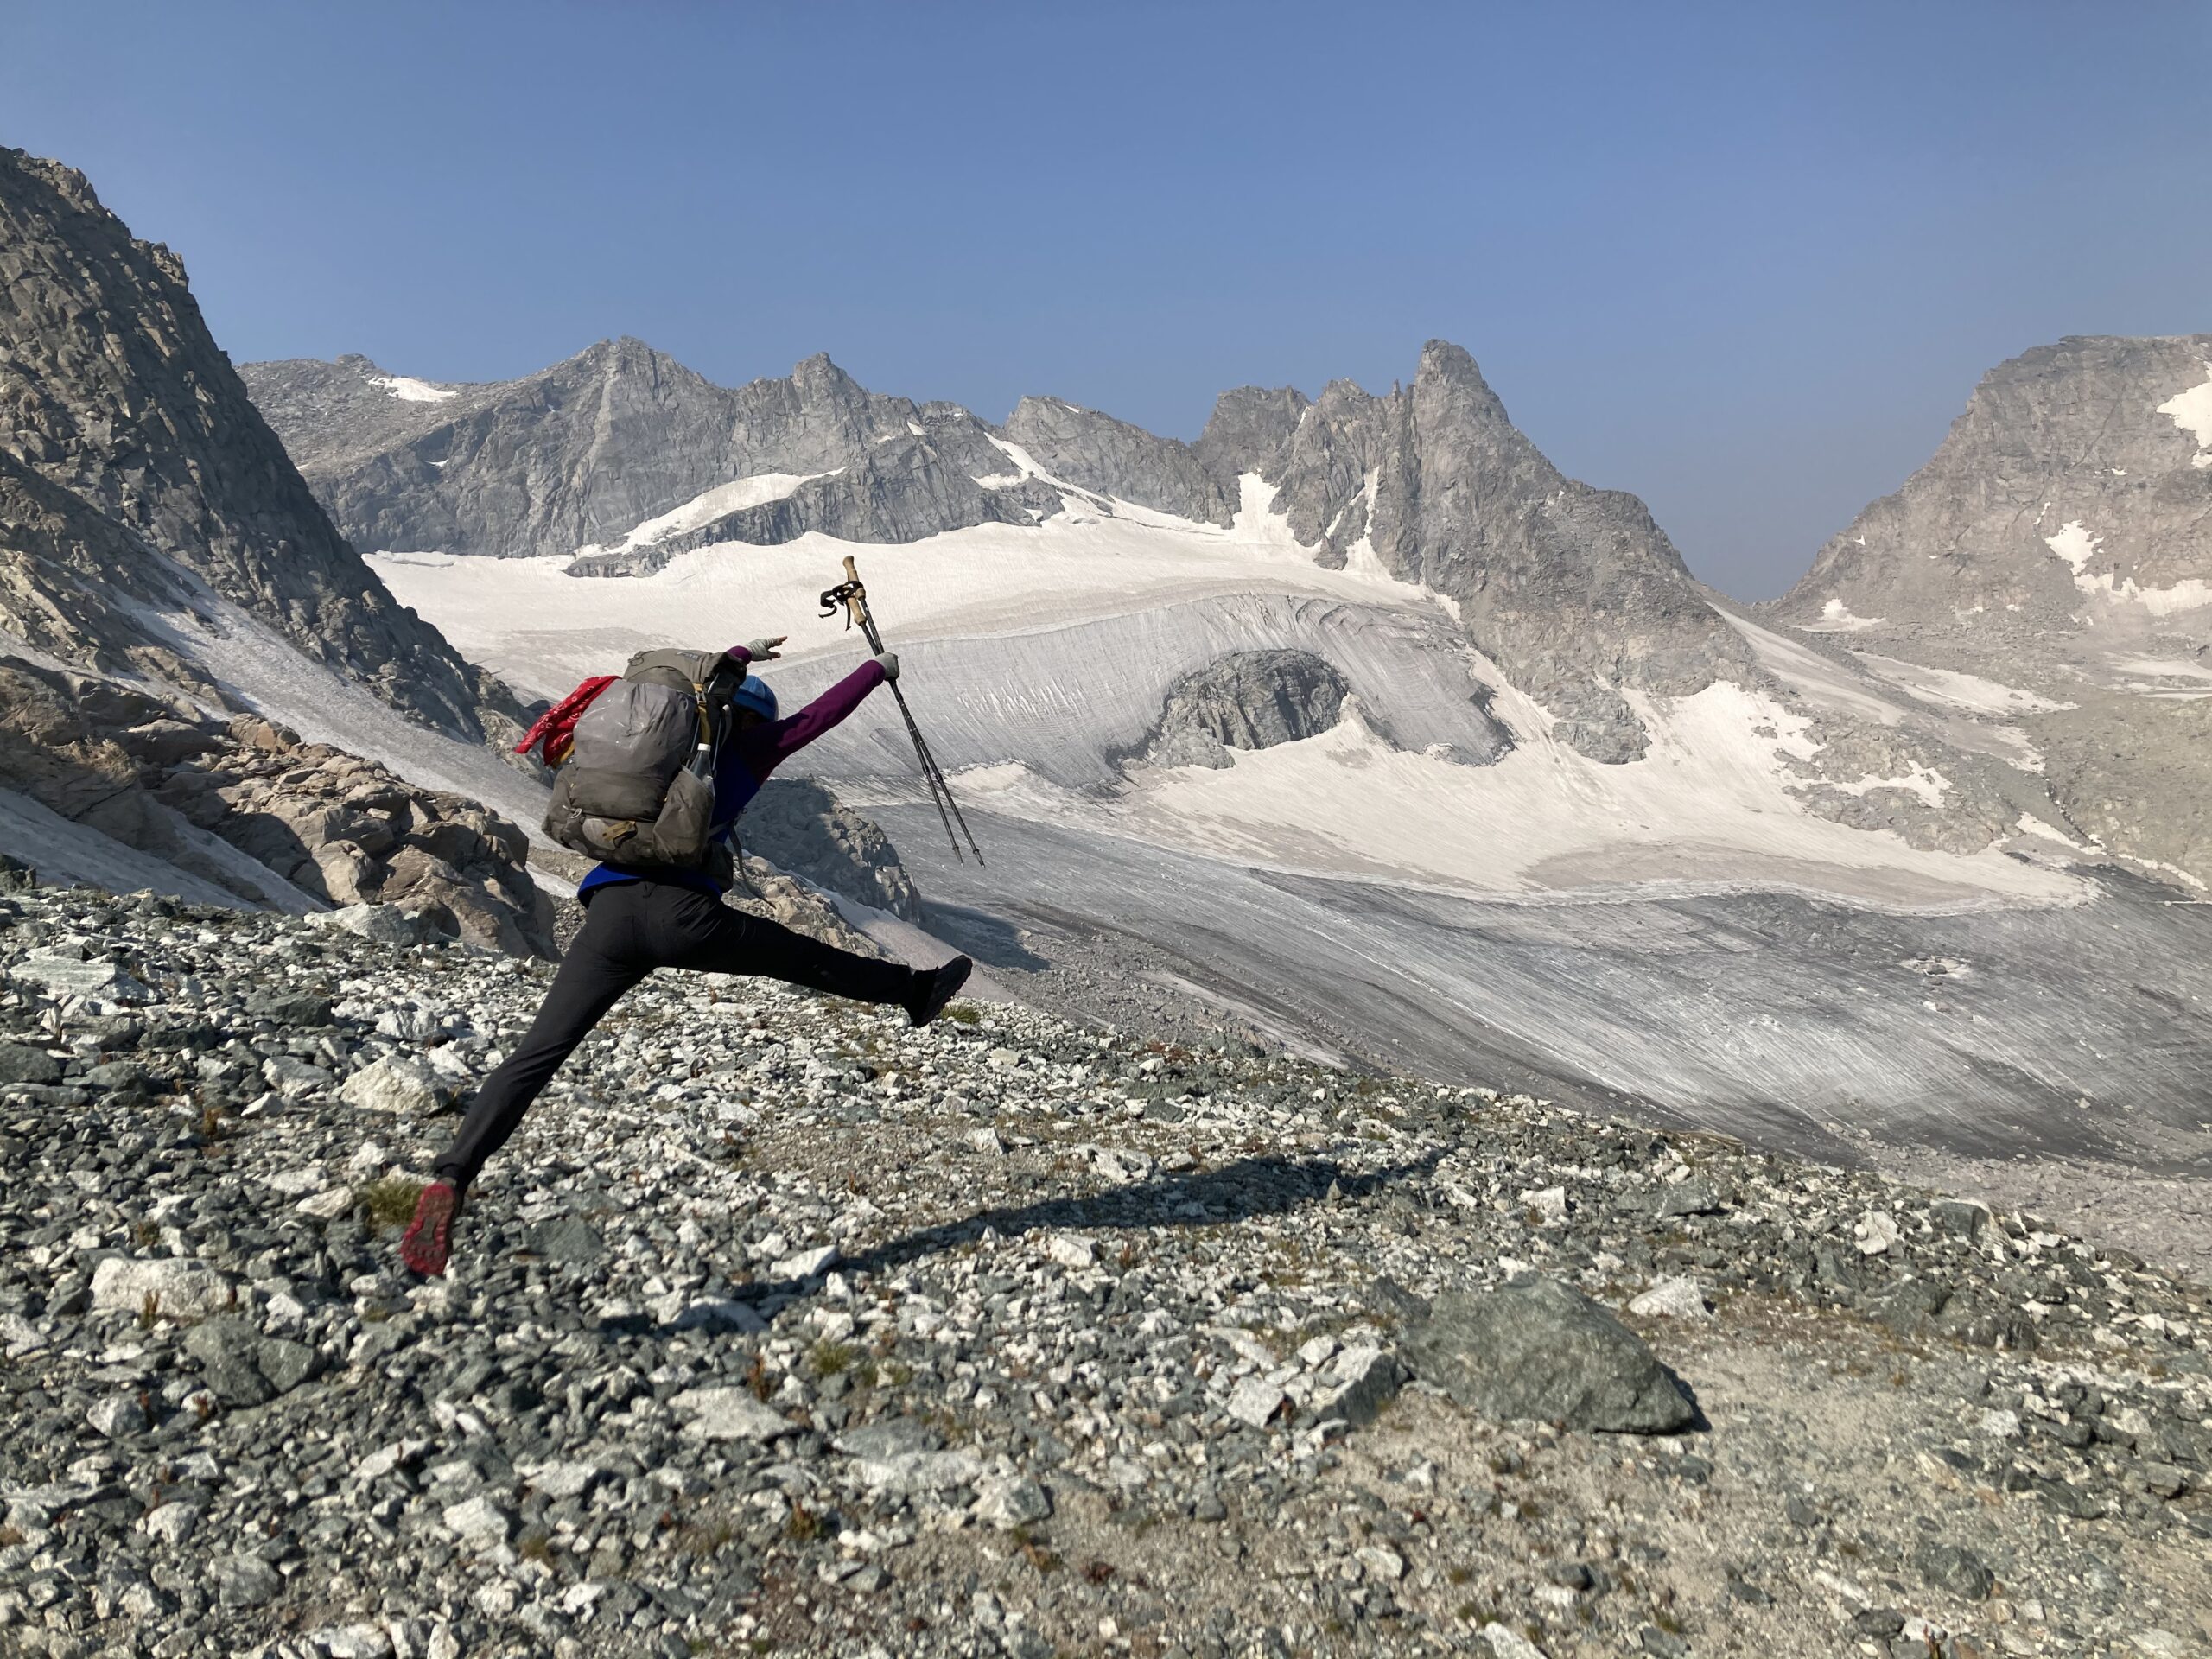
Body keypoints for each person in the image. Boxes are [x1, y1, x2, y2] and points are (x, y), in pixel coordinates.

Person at [399, 636, 971, 1276]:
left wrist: (739, 652)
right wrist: (874, 670)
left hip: (609, 917)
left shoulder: (653, 760)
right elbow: (817, 718)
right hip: (686, 918)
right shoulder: (749, 751)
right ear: (748, 718)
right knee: (805, 957)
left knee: (537, 1053)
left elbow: (698, 683)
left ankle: (453, 1175)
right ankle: (915, 994)